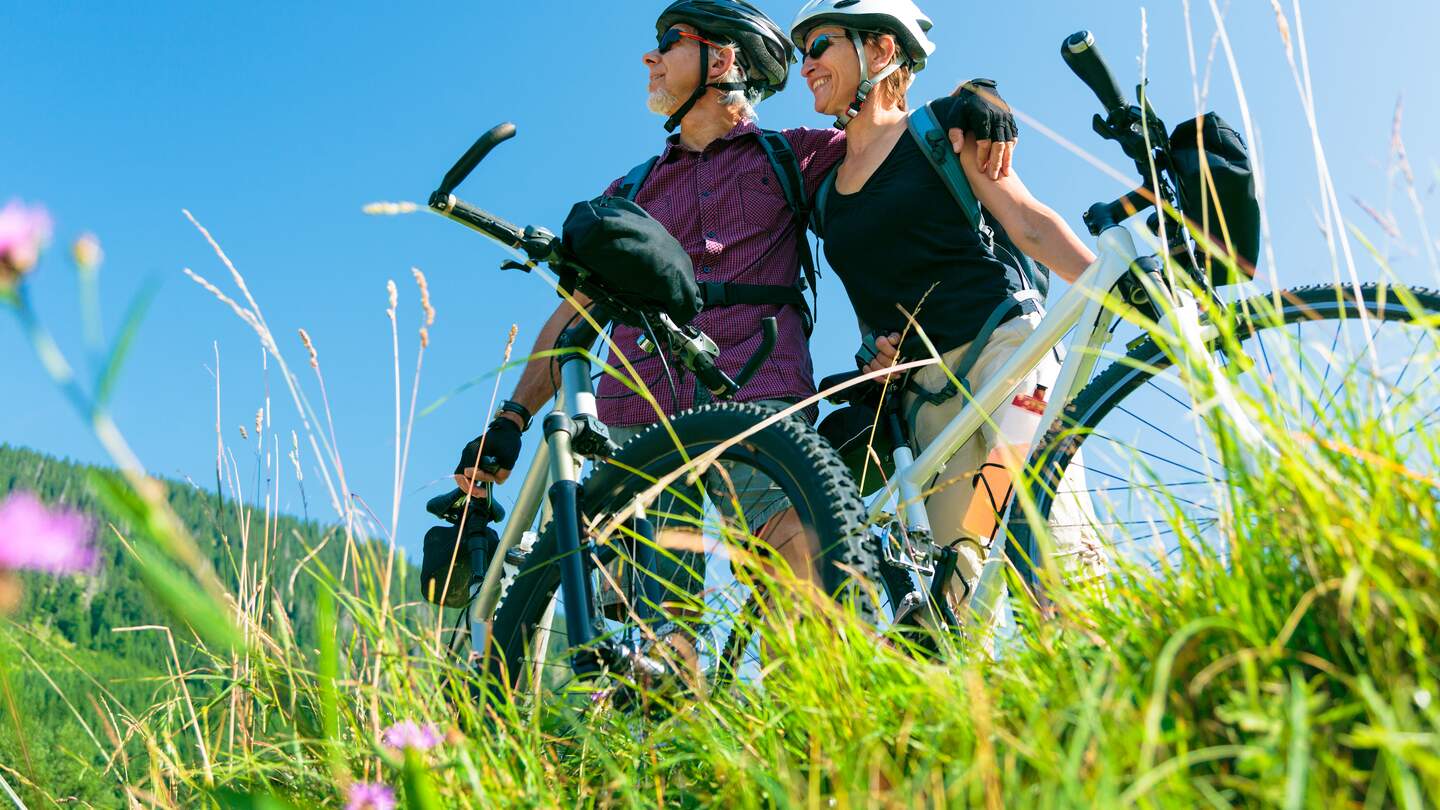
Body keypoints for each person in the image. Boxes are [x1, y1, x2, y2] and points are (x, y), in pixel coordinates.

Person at [449, 1, 1019, 634]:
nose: (650, 57)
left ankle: (831, 727)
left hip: (756, 395)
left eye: (668, 42)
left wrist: (974, 96)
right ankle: (671, 725)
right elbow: (574, 313)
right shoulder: (628, 192)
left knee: (802, 569)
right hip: (639, 418)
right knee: (660, 634)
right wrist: (512, 416)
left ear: (721, 59)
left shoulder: (795, 156)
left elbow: (891, 136)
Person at [790, 0, 1109, 611]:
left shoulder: (943, 130)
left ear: (880, 51)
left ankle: (1103, 677)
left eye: (820, 45)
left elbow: (1028, 223)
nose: (806, 65)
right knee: (960, 585)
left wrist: (1114, 284)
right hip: (926, 400)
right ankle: (986, 707)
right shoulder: (826, 195)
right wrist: (873, 354)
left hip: (1007, 354)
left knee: (1043, 532)